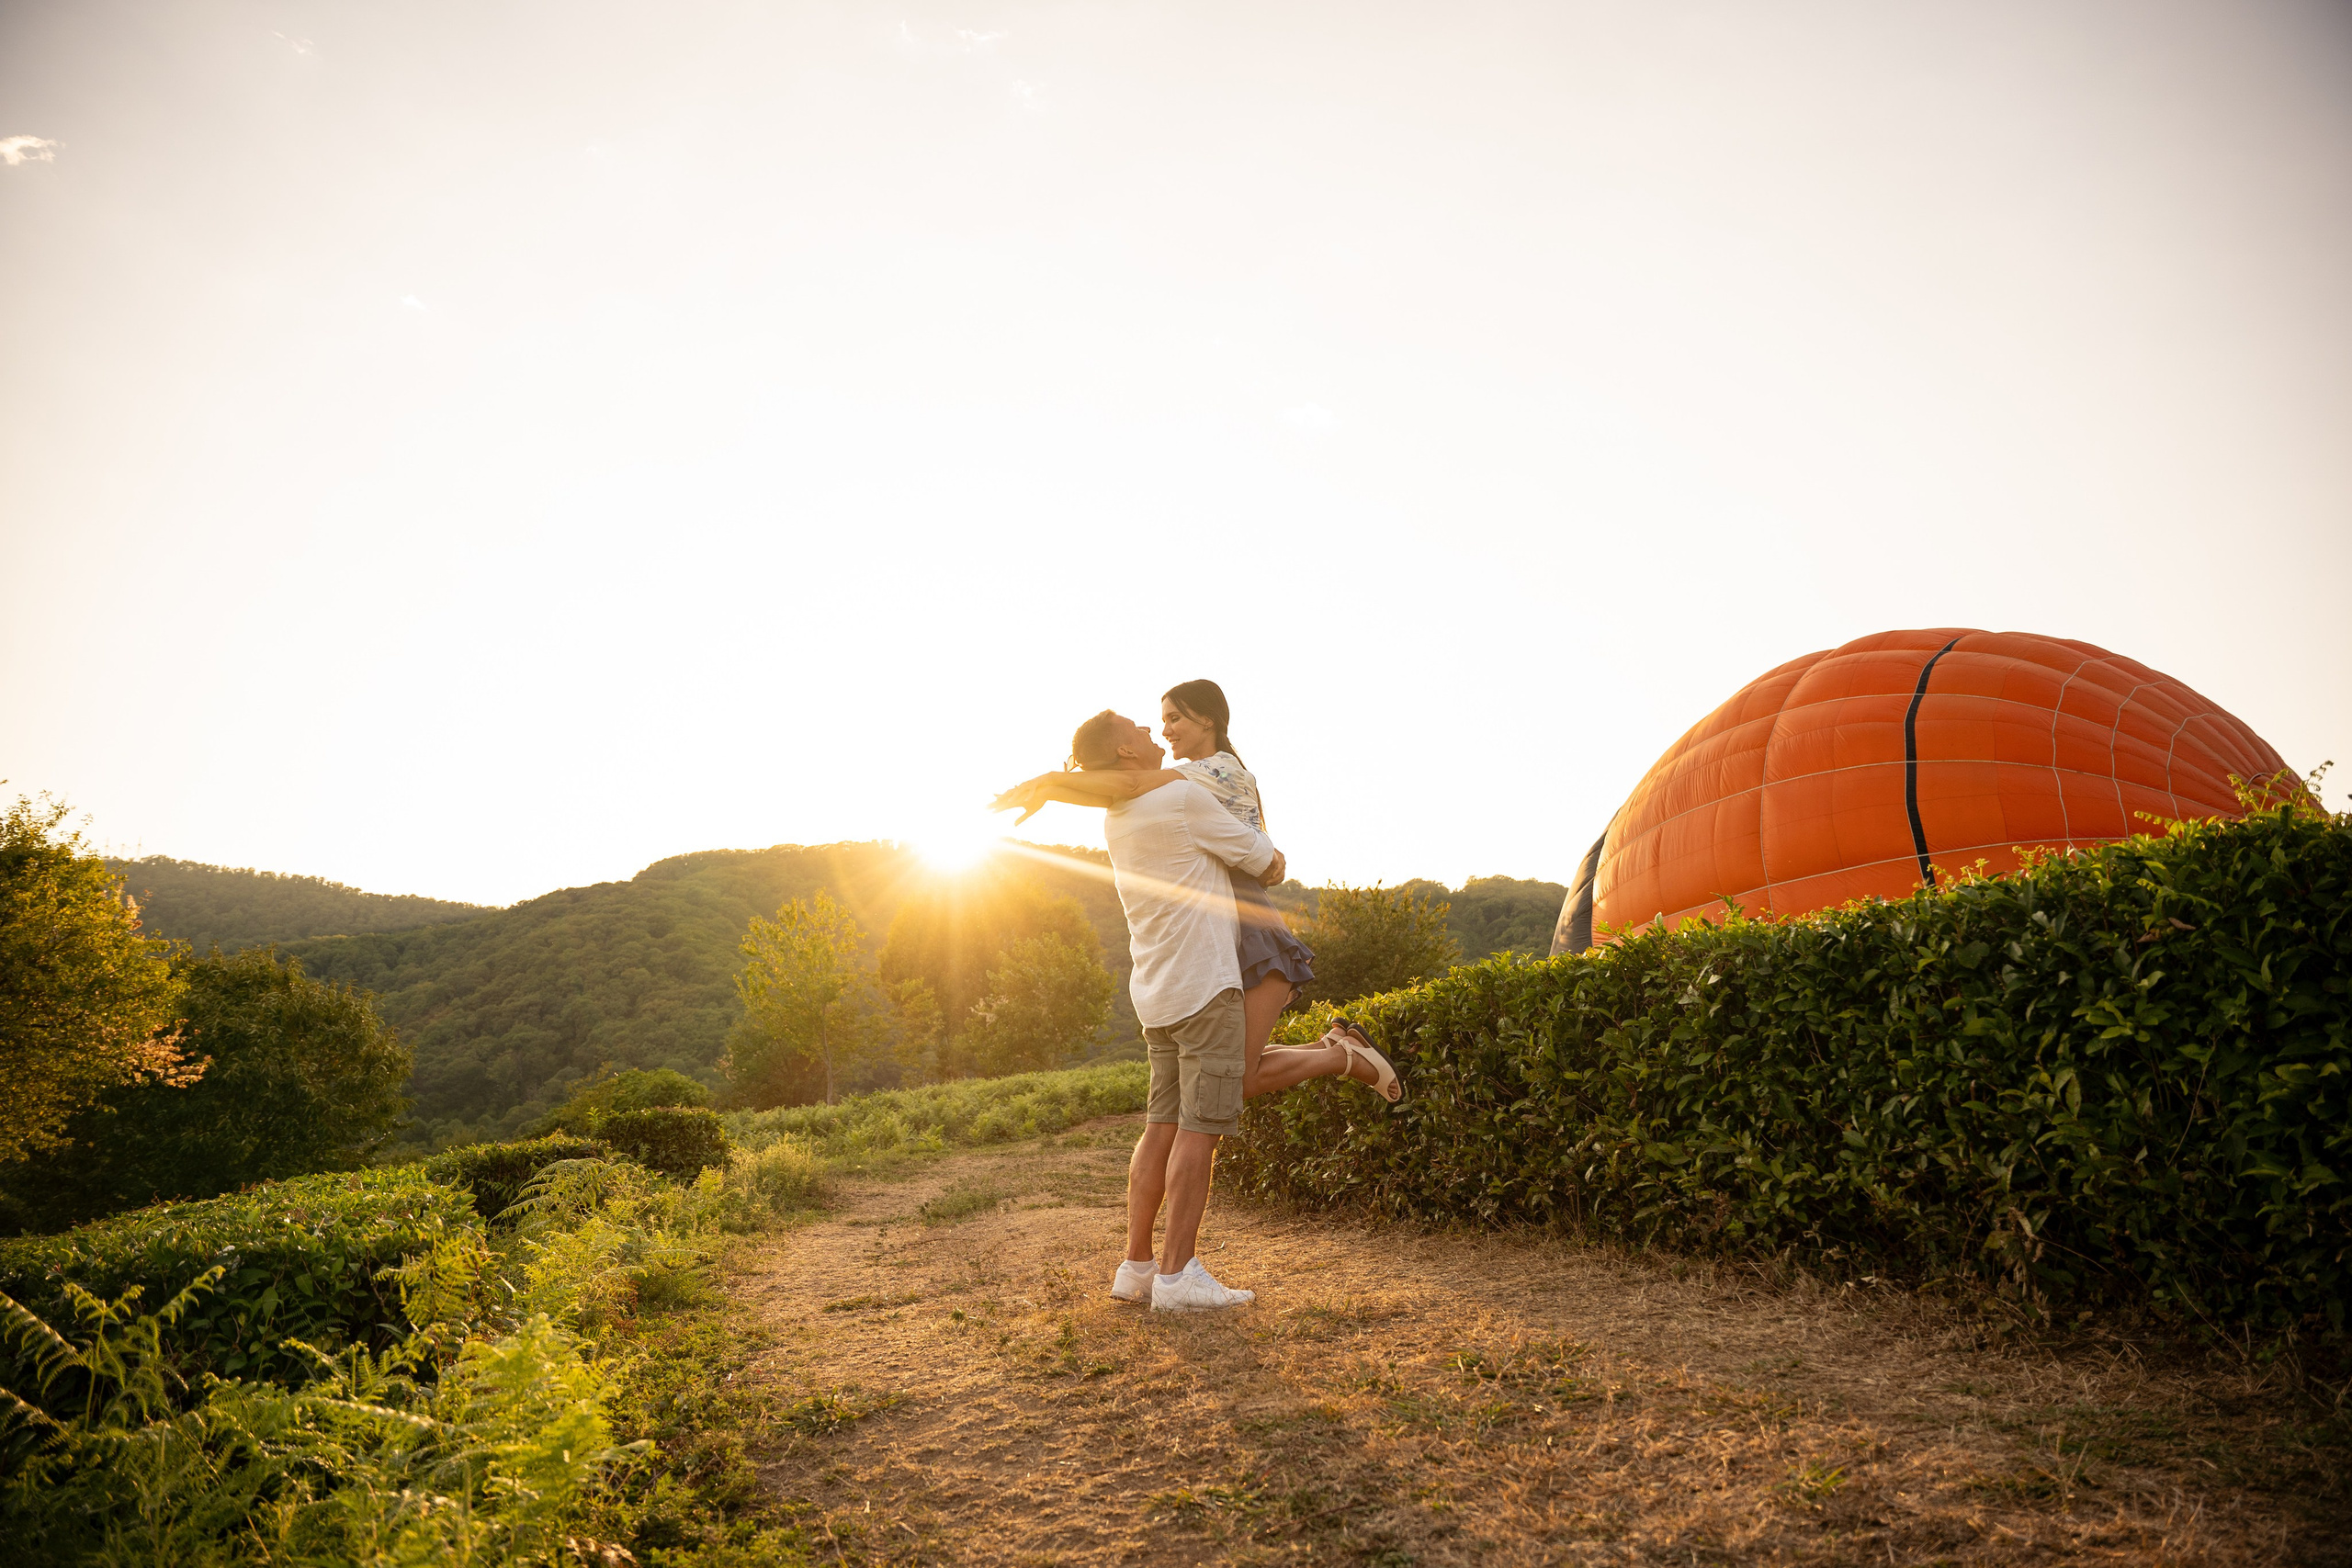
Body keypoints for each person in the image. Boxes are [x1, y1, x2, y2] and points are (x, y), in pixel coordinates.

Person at [1013, 706, 1401, 1314]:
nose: (1148, 729)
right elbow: (1261, 860)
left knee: (1159, 1127)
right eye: (1136, 727)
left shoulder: (1119, 816)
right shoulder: (1182, 797)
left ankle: (1137, 1265)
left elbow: (1122, 790)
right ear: (1123, 752)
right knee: (1201, 1131)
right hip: (1205, 985)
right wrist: (1273, 858)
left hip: (1157, 993)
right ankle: (1178, 1276)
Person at [994, 679, 1404, 1110]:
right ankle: (1339, 1047)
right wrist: (1051, 789)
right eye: (1162, 720)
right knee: (1238, 1070)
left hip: (1247, 922)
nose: (1166, 730)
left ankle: (1342, 1056)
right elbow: (1121, 789)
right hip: (1226, 919)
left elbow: (1129, 785)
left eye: (1174, 718)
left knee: (1240, 1078)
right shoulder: (1189, 777)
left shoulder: (1214, 770)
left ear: (1207, 719)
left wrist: (1048, 782)